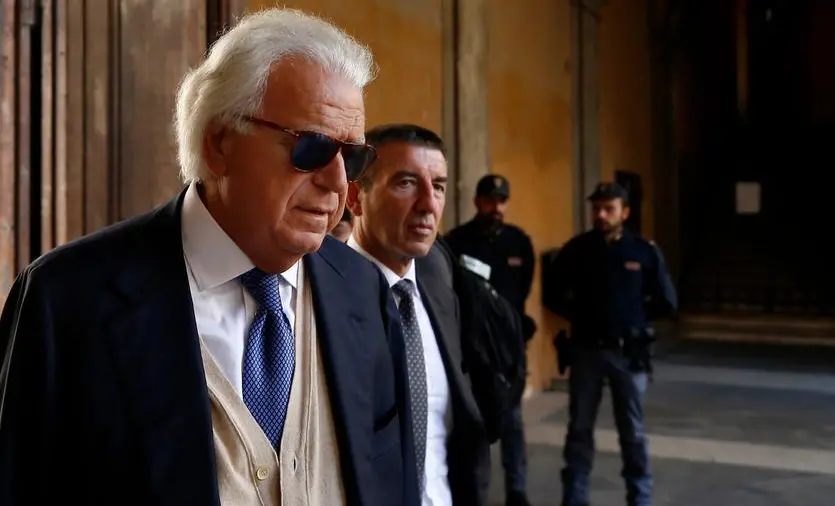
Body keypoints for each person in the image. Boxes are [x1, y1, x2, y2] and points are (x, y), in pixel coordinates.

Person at [0, 9, 418, 506]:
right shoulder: (68, 300)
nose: (336, 183)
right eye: (311, 149)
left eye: (352, 157)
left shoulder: (363, 291)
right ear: (220, 144)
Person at [346, 123, 490, 505]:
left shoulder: (439, 286)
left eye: (438, 186)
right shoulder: (321, 296)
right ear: (355, 197)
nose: (429, 205)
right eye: (406, 183)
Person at [545, 182, 677, 506]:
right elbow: (553, 293)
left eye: (609, 209)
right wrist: (581, 315)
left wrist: (634, 319)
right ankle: (574, 498)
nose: (601, 215)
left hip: (627, 353)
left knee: (632, 432)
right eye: (596, 209)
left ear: (625, 212)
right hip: (586, 350)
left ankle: (639, 498)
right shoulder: (577, 249)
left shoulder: (643, 251)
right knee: (579, 429)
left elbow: (667, 301)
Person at [444, 173, 535, 506]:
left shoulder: (519, 242)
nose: (496, 207)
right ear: (477, 202)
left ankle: (517, 490)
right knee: (473, 423)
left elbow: (522, 289)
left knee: (512, 421)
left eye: (501, 201)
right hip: (472, 348)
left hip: (509, 352)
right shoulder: (457, 242)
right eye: (489, 201)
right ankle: (474, 492)